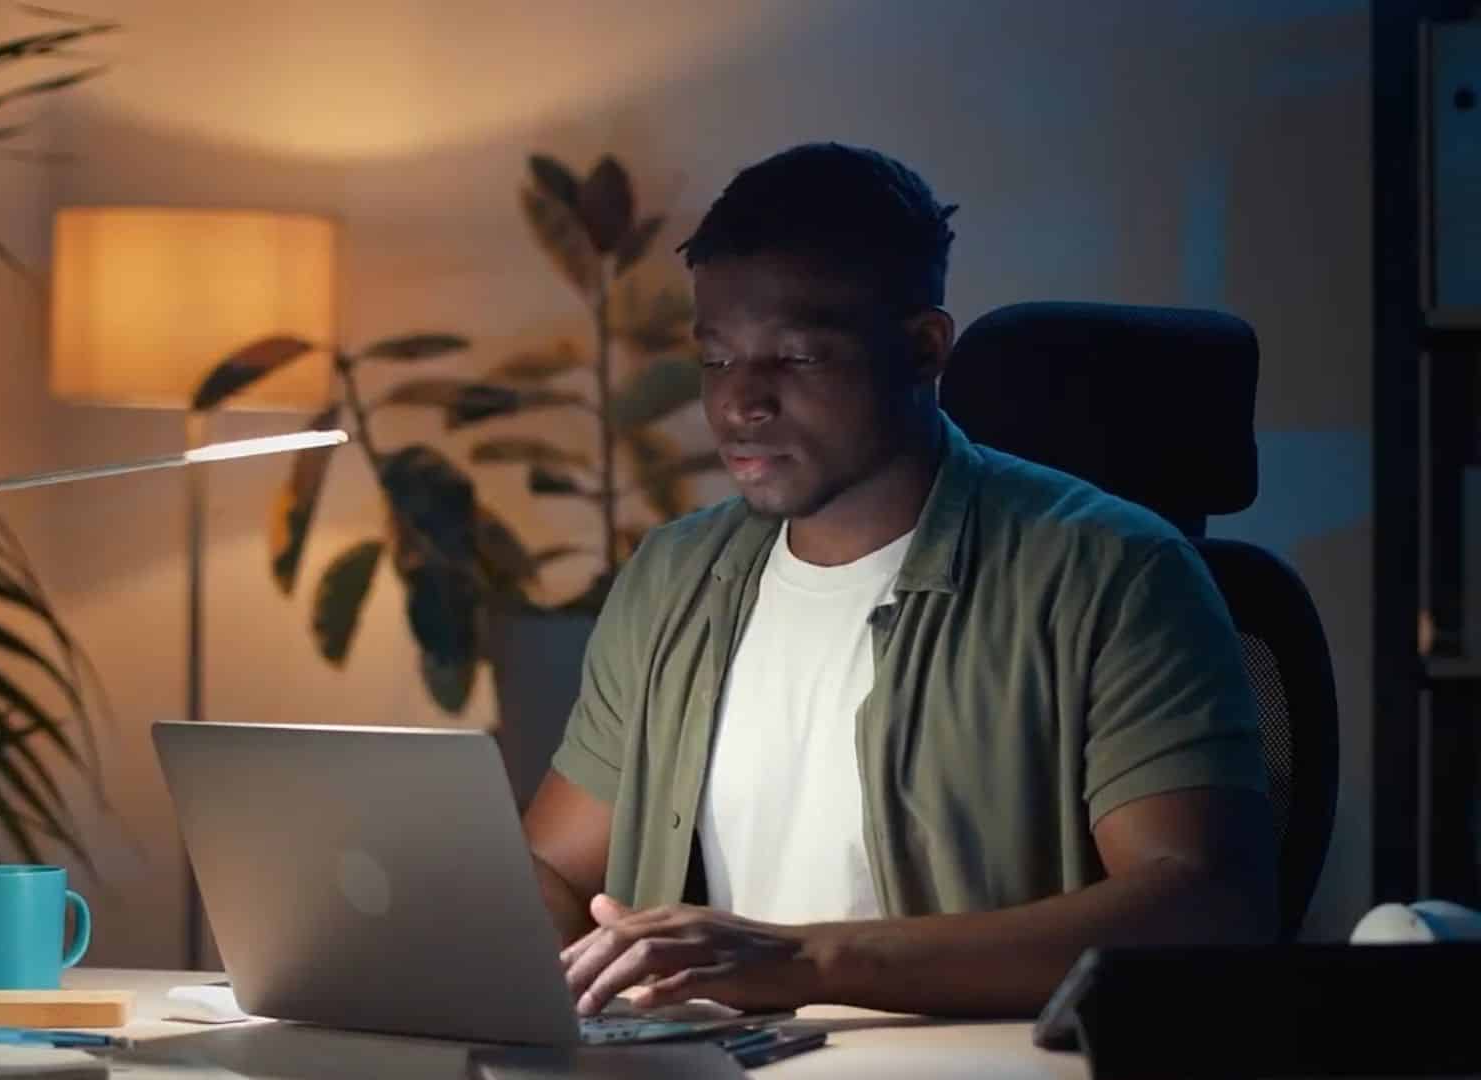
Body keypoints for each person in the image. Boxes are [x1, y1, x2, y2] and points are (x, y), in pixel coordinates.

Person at [523, 142, 1277, 1021]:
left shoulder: (1115, 574)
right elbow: (549, 869)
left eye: (796, 359)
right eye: (718, 359)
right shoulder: (672, 578)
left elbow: (1204, 907)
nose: (740, 404)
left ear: (922, 349)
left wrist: (810, 962)